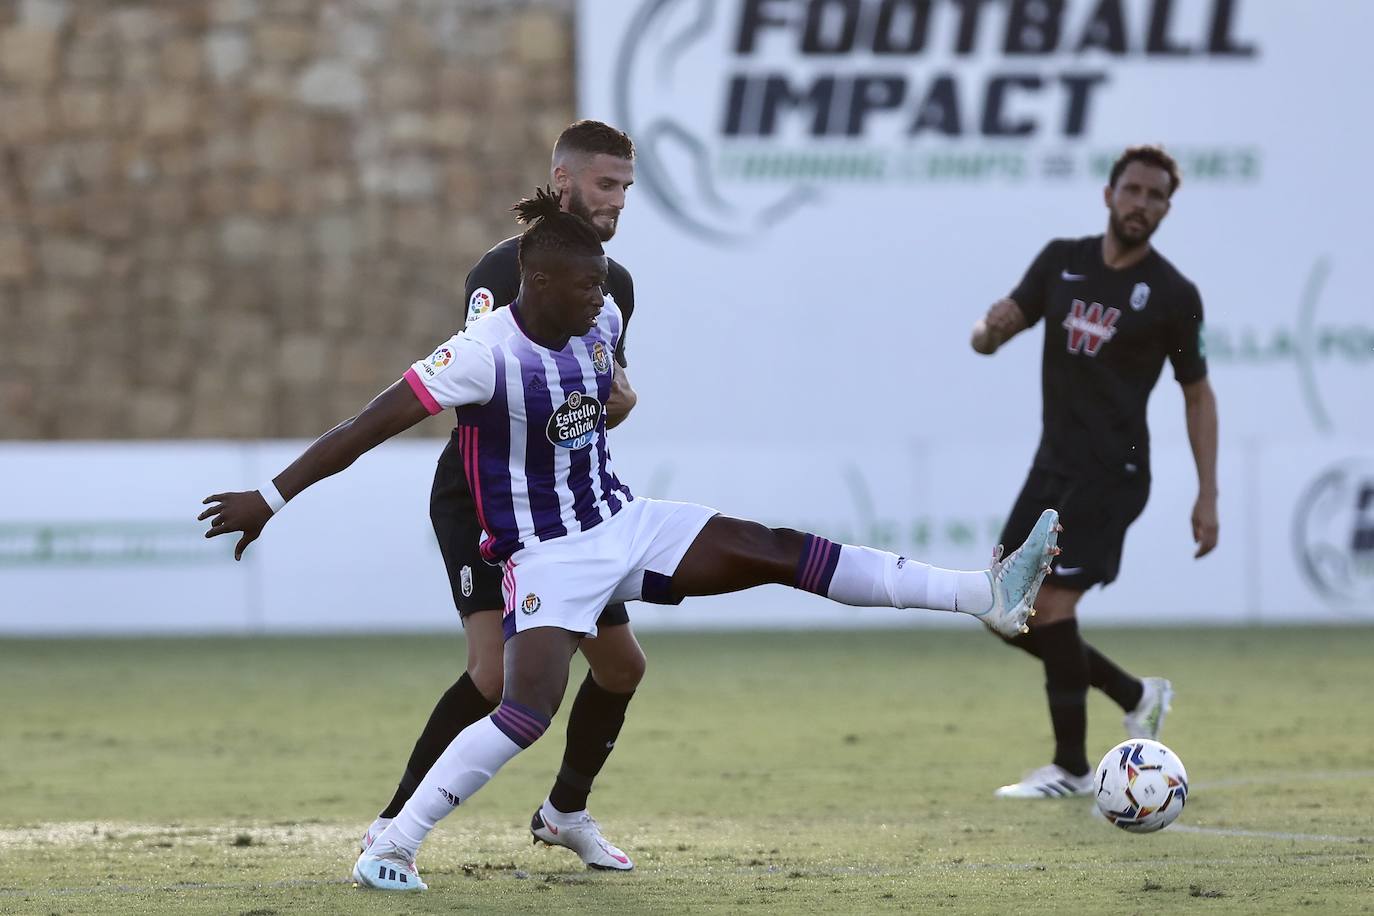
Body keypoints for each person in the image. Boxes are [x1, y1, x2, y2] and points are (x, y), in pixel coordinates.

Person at [200, 192, 1062, 891]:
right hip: (546, 555)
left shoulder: (600, 314)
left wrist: (610, 399)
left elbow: (606, 393)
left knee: (774, 550)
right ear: (535, 283)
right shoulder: (479, 355)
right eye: (582, 289)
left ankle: (979, 594)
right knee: (523, 707)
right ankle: (392, 845)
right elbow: (366, 426)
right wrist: (270, 497)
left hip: (623, 520)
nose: (600, 301)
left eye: (602, 288)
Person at [356, 120, 645, 871]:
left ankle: (564, 813)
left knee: (621, 669)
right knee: (495, 676)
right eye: (605, 184)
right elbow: (483, 385)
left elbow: (606, 389)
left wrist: (623, 400)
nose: (616, 200)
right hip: (490, 499)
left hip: (568, 506)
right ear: (564, 179)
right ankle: (390, 825)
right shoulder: (502, 269)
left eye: (625, 187)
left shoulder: (616, 284)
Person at [969, 145, 1220, 799]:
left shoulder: (1175, 294)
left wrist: (1207, 493)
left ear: (1167, 207)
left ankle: (1073, 768)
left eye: (1156, 195)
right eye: (1132, 190)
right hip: (1050, 468)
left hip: (1114, 474)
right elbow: (991, 335)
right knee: (1004, 611)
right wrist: (987, 332)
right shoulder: (1061, 261)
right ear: (1109, 195)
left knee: (1049, 608)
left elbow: (1198, 393)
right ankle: (1135, 693)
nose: (1142, 203)